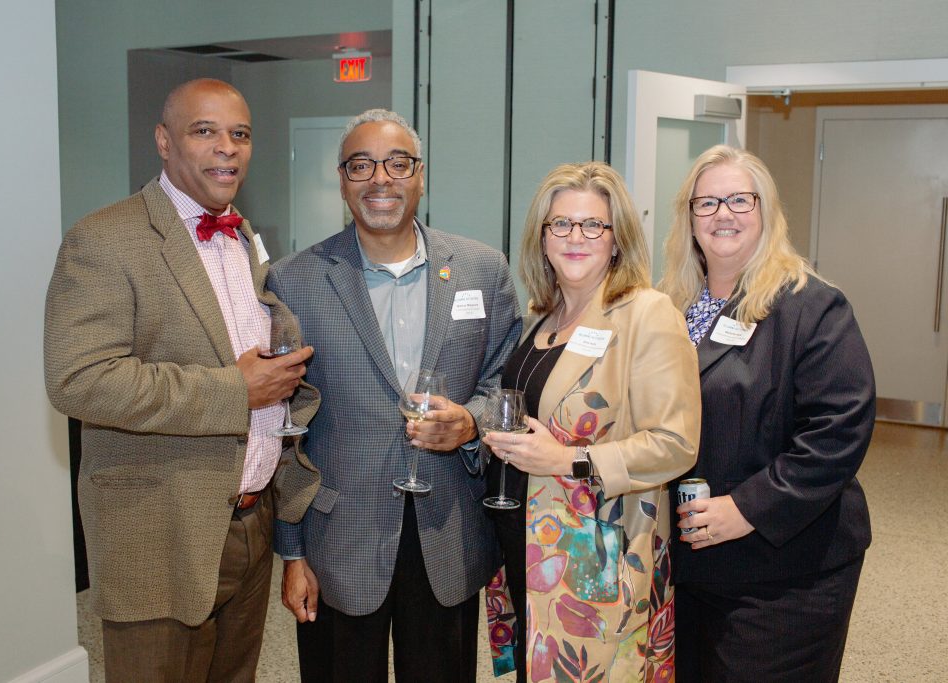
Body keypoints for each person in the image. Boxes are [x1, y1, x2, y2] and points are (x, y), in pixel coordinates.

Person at [44, 78, 320, 682]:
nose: (227, 147)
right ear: (164, 142)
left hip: (250, 522)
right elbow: (78, 378)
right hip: (160, 531)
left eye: (240, 134)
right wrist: (234, 392)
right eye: (206, 131)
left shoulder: (242, 237)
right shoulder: (104, 239)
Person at [268, 108, 522, 682]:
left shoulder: (483, 270)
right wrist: (291, 551)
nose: (380, 179)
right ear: (341, 179)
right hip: (339, 534)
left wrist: (473, 422)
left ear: (421, 175)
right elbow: (283, 424)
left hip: (448, 530)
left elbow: (506, 381)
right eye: (361, 165)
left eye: (397, 163)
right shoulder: (295, 281)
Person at [659, 144, 876, 682]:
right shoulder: (671, 304)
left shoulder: (812, 305)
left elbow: (838, 431)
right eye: (706, 203)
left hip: (786, 566)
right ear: (688, 218)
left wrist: (750, 508)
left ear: (766, 211)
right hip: (689, 561)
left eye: (739, 199)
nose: (723, 214)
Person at [482, 161, 701, 681]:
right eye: (561, 224)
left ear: (617, 238)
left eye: (592, 225)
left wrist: (569, 459)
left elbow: (675, 443)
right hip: (527, 538)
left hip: (597, 551)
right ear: (542, 236)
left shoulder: (647, 313)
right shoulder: (545, 316)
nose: (575, 237)